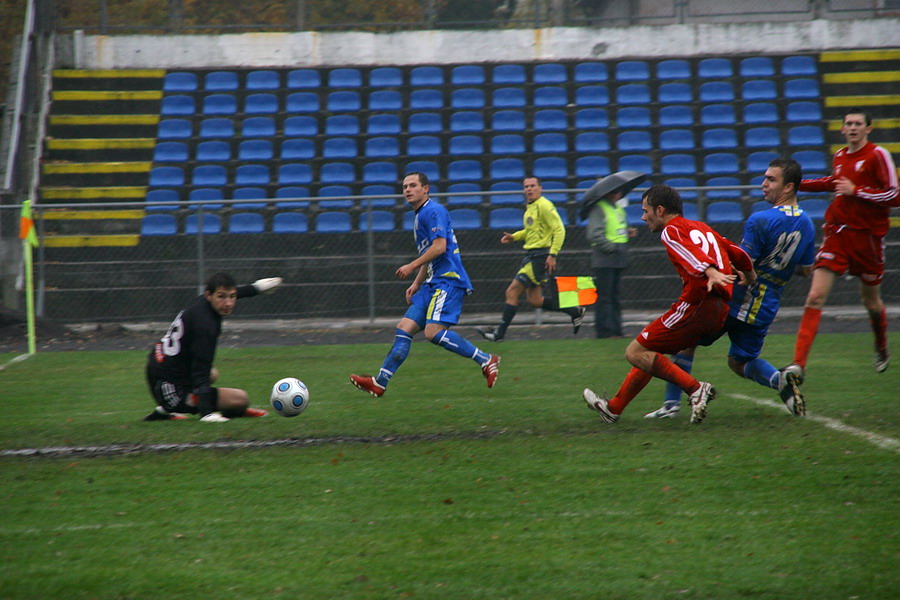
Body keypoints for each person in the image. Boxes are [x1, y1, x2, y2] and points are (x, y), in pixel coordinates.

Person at [645, 158, 817, 419]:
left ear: (788, 187)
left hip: (735, 297)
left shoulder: (760, 220)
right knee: (739, 362)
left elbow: (741, 263)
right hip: (766, 303)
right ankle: (778, 380)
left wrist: (708, 272)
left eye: (771, 179)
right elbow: (805, 270)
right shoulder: (808, 224)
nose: (764, 184)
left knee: (684, 342)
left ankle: (671, 406)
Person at [582, 184, 754, 424]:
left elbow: (690, 252)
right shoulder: (702, 227)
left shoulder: (670, 230)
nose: (643, 217)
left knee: (634, 351)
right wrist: (750, 275)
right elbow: (737, 252)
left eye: (645, 211)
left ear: (660, 210)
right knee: (651, 350)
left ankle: (695, 389)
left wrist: (710, 270)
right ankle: (614, 408)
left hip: (698, 304)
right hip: (718, 311)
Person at [350, 172, 500, 397]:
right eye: (404, 187)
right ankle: (380, 382)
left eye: (413, 185)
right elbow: (428, 254)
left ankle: (486, 360)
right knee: (404, 329)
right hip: (432, 282)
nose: (407, 190)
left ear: (426, 189)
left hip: (448, 280)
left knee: (433, 333)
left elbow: (440, 247)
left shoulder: (434, 210)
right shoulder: (420, 215)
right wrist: (417, 283)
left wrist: (411, 265)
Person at [792, 108, 899, 375]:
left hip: (868, 241)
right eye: (848, 123)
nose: (852, 127)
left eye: (857, 123)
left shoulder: (878, 155)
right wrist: (798, 184)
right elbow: (834, 183)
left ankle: (881, 345)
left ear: (868, 129)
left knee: (872, 303)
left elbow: (895, 196)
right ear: (842, 129)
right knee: (815, 296)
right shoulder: (840, 155)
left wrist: (857, 191)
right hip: (838, 233)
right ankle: (798, 365)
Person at [144, 272, 283, 422]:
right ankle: (178, 405)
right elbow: (200, 369)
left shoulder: (200, 302)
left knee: (213, 374)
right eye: (222, 297)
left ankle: (164, 411)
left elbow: (232, 293)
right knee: (240, 399)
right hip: (168, 388)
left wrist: (256, 288)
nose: (228, 303)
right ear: (209, 295)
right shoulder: (205, 326)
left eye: (232, 297)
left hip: (156, 370)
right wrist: (207, 413)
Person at [477, 176, 585, 342]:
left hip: (540, 256)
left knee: (512, 291)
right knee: (534, 300)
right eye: (526, 186)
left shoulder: (544, 206)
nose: (529, 189)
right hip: (532, 255)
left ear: (540, 188)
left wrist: (553, 254)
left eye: (532, 186)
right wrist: (514, 237)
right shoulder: (530, 208)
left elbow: (559, 230)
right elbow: (530, 232)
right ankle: (574, 311)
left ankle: (499, 334)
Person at [584, 171, 642, 338]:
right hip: (605, 258)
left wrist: (627, 232)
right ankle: (605, 331)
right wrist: (611, 247)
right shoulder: (599, 209)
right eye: (616, 191)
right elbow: (594, 234)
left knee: (614, 297)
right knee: (605, 298)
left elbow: (617, 228)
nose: (619, 194)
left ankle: (616, 329)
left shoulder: (617, 208)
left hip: (617, 258)